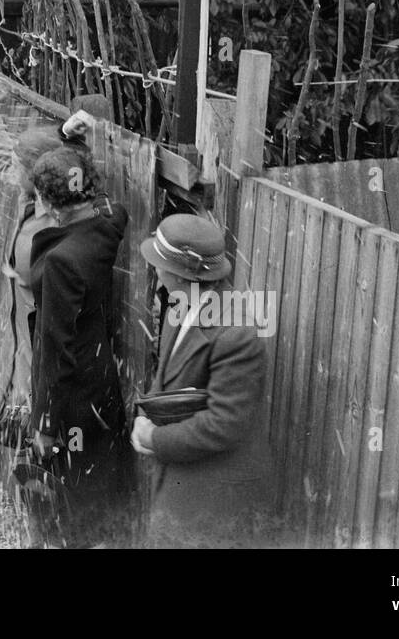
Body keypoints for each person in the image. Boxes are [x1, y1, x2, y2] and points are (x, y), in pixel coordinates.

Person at [131, 213, 273, 549]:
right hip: (182, 479)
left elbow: (225, 424)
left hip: (216, 497)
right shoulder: (180, 304)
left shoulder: (237, 331)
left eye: (159, 264)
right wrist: (146, 415)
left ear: (181, 274)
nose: (156, 271)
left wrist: (155, 439)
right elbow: (165, 378)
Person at [28, 146, 131, 548]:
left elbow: (56, 351)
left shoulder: (60, 261)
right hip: (102, 384)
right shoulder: (108, 224)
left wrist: (45, 426)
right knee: (100, 494)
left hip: (72, 401)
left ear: (47, 200)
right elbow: (109, 204)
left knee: (70, 501)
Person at [0, 124, 63, 460]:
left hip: (40, 355)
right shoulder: (30, 207)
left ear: (38, 171)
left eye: (20, 165)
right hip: (21, 350)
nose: (14, 171)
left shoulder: (53, 224)